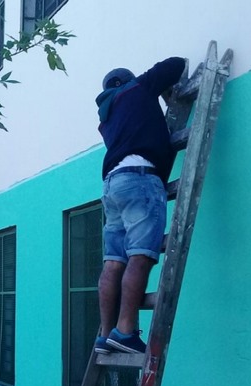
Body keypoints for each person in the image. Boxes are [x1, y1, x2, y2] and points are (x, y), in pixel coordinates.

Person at [93, 57, 186, 354]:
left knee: (113, 263)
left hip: (112, 184)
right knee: (140, 257)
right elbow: (176, 65)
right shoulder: (137, 88)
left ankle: (105, 335)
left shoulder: (105, 118)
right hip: (140, 180)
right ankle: (125, 332)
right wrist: (159, 90)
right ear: (128, 81)